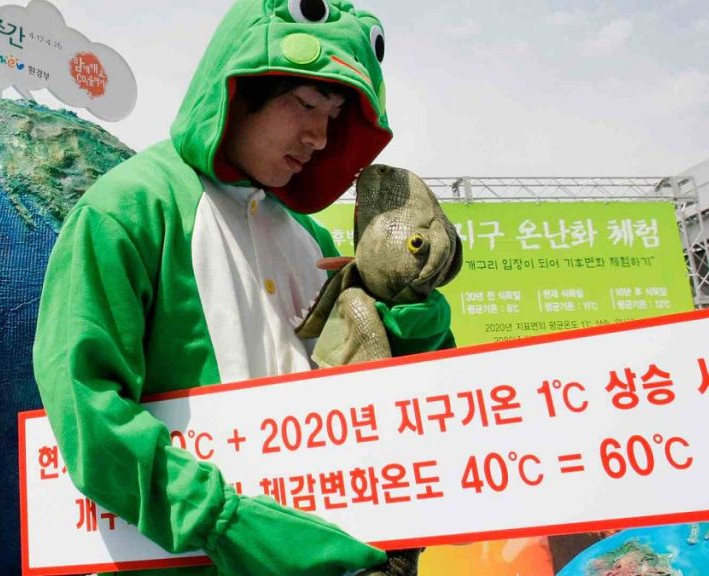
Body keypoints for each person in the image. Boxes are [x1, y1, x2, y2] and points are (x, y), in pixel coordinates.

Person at [32, 1, 455, 574]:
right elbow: (88, 411)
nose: (319, 137)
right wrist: (232, 526)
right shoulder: (130, 208)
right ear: (236, 86)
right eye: (304, 104)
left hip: (339, 550)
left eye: (332, 116)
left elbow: (387, 394)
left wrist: (408, 305)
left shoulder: (310, 236)